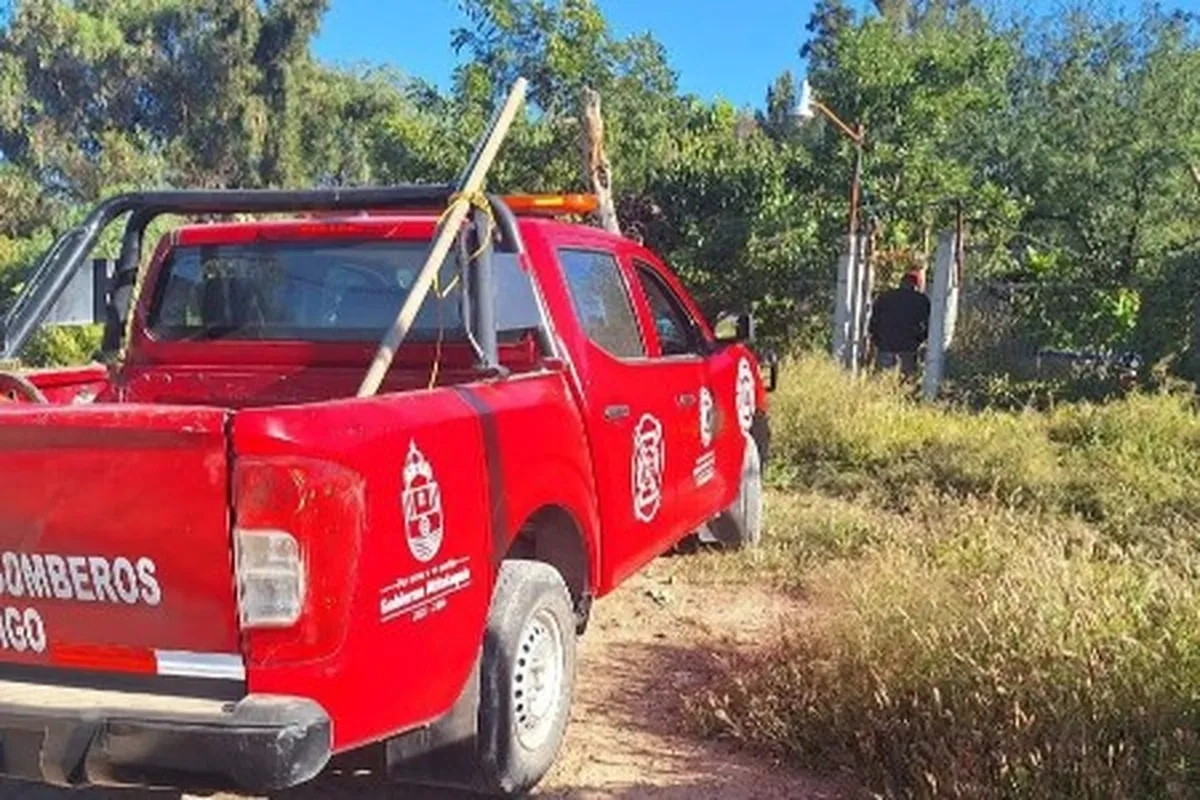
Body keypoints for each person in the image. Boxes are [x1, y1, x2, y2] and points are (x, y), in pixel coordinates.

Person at [868, 270, 930, 379]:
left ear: (901, 282)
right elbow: (927, 326)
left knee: (881, 380)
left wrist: (877, 340)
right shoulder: (922, 301)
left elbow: (873, 322)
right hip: (908, 347)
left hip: (885, 345)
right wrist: (919, 340)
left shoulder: (884, 297)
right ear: (917, 285)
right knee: (905, 382)